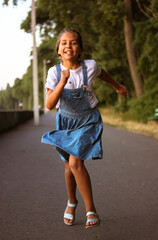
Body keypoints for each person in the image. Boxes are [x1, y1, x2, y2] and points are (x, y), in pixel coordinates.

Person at [41, 28, 127, 228]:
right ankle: (72, 202)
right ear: (58, 50)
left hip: (88, 121)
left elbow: (102, 74)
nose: (68, 46)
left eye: (73, 43)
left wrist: (116, 86)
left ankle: (91, 210)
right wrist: (62, 82)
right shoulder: (54, 72)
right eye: (64, 43)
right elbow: (49, 104)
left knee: (75, 162)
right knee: (68, 167)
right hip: (65, 122)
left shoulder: (90, 67)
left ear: (80, 49)